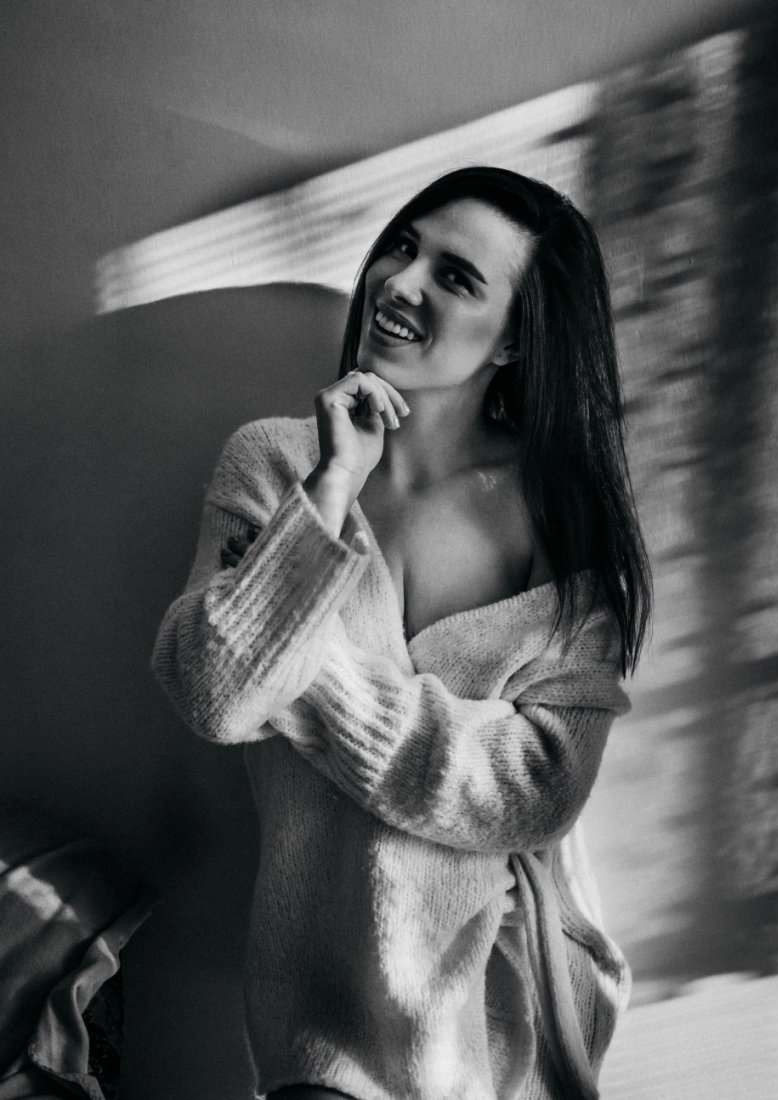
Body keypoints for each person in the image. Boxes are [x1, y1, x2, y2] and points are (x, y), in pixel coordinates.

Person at [152, 166, 651, 1100]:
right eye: (402, 246)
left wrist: (304, 665)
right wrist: (329, 490)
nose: (400, 282)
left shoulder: (564, 520)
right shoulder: (276, 465)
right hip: (318, 1033)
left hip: (498, 1028)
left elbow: (539, 789)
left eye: (456, 277)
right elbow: (214, 694)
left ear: (517, 338)